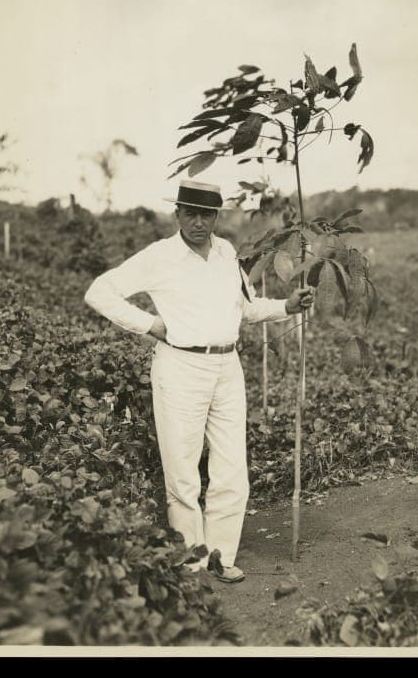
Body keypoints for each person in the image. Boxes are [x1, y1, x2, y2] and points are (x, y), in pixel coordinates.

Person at [84, 179, 314, 583]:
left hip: (227, 369)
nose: (199, 223)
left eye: (206, 214)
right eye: (190, 213)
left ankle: (221, 557)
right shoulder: (159, 256)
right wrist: (147, 324)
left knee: (232, 469)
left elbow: (245, 308)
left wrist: (285, 306)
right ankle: (191, 560)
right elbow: (99, 292)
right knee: (183, 471)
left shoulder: (226, 253)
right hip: (181, 368)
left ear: (216, 217)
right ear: (177, 215)